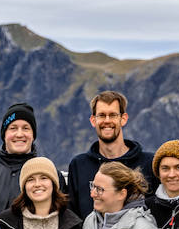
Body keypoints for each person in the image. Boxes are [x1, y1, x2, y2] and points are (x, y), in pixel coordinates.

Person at [65, 91, 156, 219]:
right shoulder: (79, 165)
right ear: (93, 120)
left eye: (113, 115)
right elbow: (72, 215)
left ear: (123, 119)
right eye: (102, 115)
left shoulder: (148, 162)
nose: (107, 121)